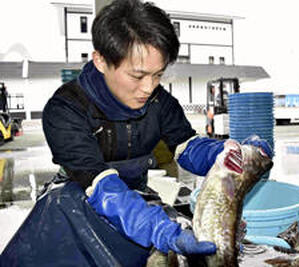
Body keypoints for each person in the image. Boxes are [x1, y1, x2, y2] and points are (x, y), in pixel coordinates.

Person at [0, 0, 273, 265]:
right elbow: (101, 186)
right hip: (76, 205)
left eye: (158, 75)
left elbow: (188, 148)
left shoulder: (160, 102)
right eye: (138, 76)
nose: (149, 88)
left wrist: (228, 153)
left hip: (137, 199)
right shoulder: (65, 110)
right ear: (101, 61)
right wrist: (157, 229)